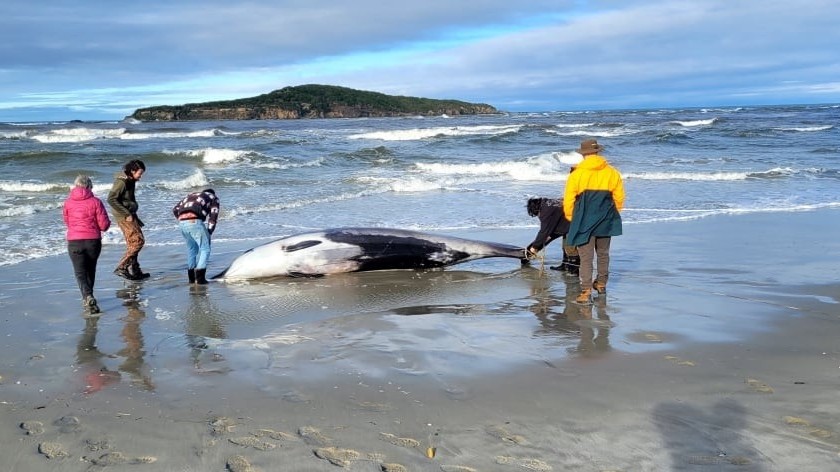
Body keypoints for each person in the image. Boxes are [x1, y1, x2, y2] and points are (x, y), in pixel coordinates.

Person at [563, 139, 625, 304]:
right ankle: (602, 284)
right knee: (603, 254)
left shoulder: (577, 174)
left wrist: (571, 217)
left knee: (586, 257)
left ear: (583, 155)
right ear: (597, 152)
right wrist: (613, 213)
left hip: (584, 219)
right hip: (606, 217)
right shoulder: (612, 172)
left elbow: (568, 199)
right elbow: (619, 197)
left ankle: (586, 291)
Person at [63, 175, 111, 314]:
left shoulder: (68, 202)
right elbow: (104, 225)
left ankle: (87, 297)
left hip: (74, 241)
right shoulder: (96, 201)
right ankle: (89, 296)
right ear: (89, 186)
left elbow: (67, 221)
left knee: (80, 272)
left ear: (75, 186)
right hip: (93, 241)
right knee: (90, 269)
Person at [107, 159, 148, 281]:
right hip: (124, 216)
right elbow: (111, 199)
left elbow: (128, 199)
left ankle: (135, 270)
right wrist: (126, 214)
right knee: (138, 242)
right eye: (140, 173)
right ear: (132, 171)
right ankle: (122, 268)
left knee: (132, 243)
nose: (141, 176)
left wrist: (133, 214)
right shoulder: (122, 182)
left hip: (130, 214)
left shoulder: (131, 180)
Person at [172, 189, 220, 284]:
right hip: (194, 221)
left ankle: (191, 279)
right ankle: (200, 278)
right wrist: (209, 232)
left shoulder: (191, 195)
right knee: (205, 249)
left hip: (182, 223)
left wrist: (182, 219)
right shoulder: (213, 197)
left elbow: (175, 209)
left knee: (192, 250)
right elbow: (213, 216)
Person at [524, 197, 580, 275]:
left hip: (575, 223)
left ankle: (575, 271)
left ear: (536, 209)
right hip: (568, 221)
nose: (538, 216)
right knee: (565, 246)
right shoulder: (547, 203)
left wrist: (534, 247)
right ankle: (565, 266)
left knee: (570, 248)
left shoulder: (546, 212)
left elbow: (544, 232)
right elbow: (549, 232)